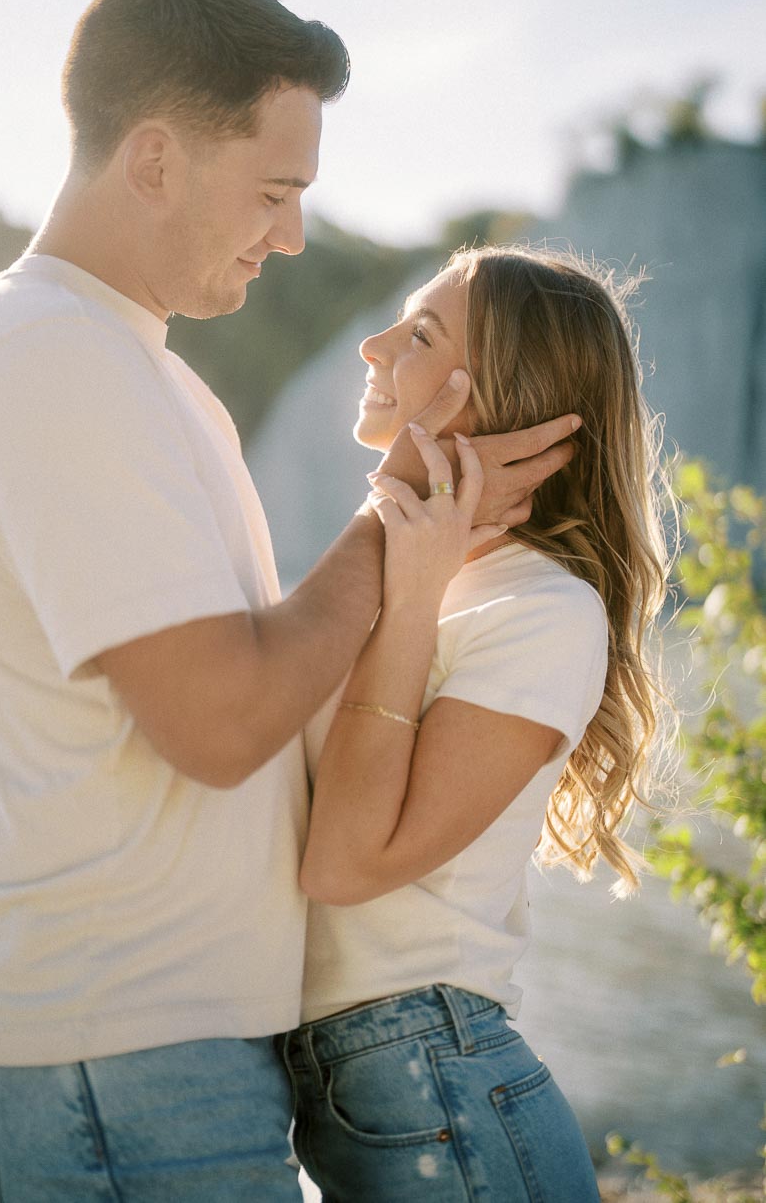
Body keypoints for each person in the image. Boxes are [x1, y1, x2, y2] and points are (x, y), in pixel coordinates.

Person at [0, 0, 579, 1201]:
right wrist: (396, 522)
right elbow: (219, 722)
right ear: (155, 161)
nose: (294, 233)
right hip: (101, 1055)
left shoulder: (131, 370)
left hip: (135, 1048)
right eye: (274, 189)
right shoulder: (53, 359)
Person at [284, 245, 674, 1202]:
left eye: (419, 334)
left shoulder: (540, 609)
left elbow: (346, 864)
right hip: (375, 1082)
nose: (373, 344)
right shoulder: (420, 579)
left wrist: (410, 599)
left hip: (432, 1073)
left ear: (508, 400)